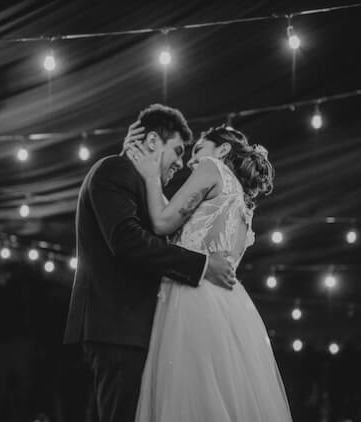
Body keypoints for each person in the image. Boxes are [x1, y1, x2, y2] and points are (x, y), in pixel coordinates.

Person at [63, 104, 237, 422]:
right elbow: (128, 241)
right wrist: (201, 265)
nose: (182, 163)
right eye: (178, 151)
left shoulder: (138, 184)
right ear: (154, 142)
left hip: (134, 329)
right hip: (118, 328)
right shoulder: (113, 170)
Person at [124, 123, 293, 421]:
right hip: (230, 310)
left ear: (222, 150)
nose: (190, 160)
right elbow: (184, 229)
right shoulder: (242, 201)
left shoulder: (212, 168)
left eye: (198, 149)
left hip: (193, 299)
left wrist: (151, 177)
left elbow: (163, 223)